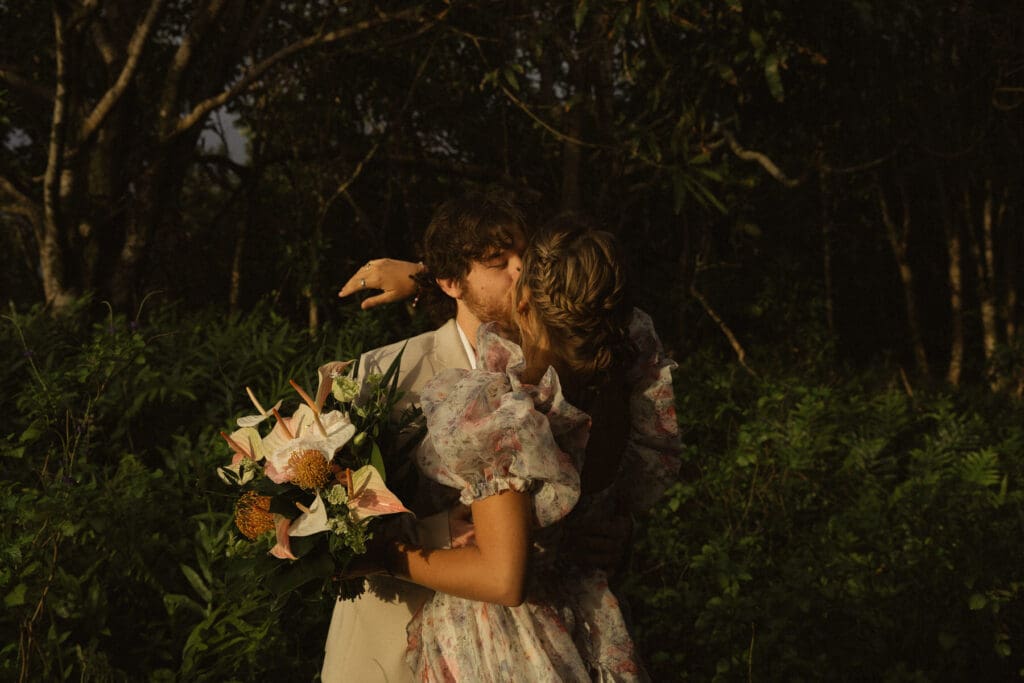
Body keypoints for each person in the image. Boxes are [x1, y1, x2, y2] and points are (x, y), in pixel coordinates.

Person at [364, 221, 682, 681]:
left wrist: (384, 556)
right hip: (590, 616)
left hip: (504, 644)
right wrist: (422, 275)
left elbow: (501, 579)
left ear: (525, 301)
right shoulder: (622, 382)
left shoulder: (506, 412)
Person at [321, 193, 528, 682]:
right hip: (390, 647)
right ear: (451, 282)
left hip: (509, 654)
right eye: (500, 262)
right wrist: (440, 533)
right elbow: (330, 530)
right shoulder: (385, 375)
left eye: (526, 257)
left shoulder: (550, 371)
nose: (522, 272)